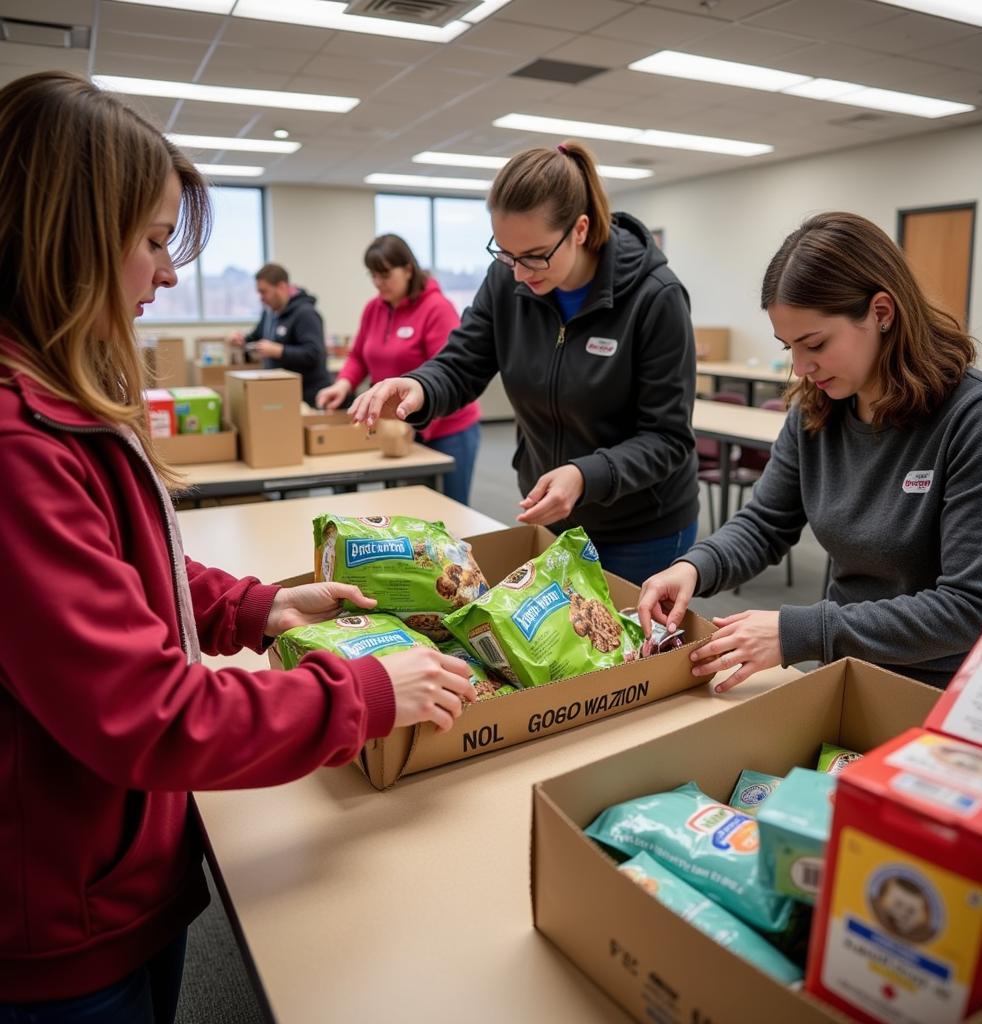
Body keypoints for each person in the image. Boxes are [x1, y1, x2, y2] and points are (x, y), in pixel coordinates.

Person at [0, 71, 475, 1021]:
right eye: (148, 241)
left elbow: (133, 573)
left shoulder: (57, 401)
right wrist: (369, 693)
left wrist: (255, 606)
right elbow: (146, 713)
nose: (169, 275)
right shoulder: (18, 446)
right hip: (66, 917)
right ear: (71, 238)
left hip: (113, 873)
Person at [637, 211, 982, 692]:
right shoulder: (818, 410)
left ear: (882, 312)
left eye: (814, 343)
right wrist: (694, 566)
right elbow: (764, 523)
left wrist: (798, 631)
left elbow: (966, 609)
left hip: (952, 685)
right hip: (846, 664)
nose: (800, 368)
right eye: (788, 347)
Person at [349, 142, 699, 585]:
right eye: (506, 254)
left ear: (580, 229)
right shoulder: (508, 279)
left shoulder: (654, 298)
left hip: (640, 527)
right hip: (551, 513)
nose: (519, 273)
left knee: (627, 653)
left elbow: (667, 437)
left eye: (534, 256)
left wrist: (584, 475)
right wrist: (420, 386)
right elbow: (463, 362)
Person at [316, 235, 481, 504]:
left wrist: (412, 423)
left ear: (407, 269)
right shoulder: (373, 309)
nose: (378, 283)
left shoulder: (436, 308)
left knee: (451, 510)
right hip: (401, 424)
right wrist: (343, 384)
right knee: (412, 511)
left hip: (448, 429)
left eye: (385, 274)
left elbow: (450, 370)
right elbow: (359, 356)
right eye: (373, 276)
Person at [229, 262, 333, 407]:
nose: (261, 298)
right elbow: (257, 336)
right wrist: (243, 340)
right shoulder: (270, 312)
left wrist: (279, 351)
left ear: (282, 287)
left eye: (264, 292)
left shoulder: (306, 313)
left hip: (307, 396)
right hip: (281, 393)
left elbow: (313, 354)